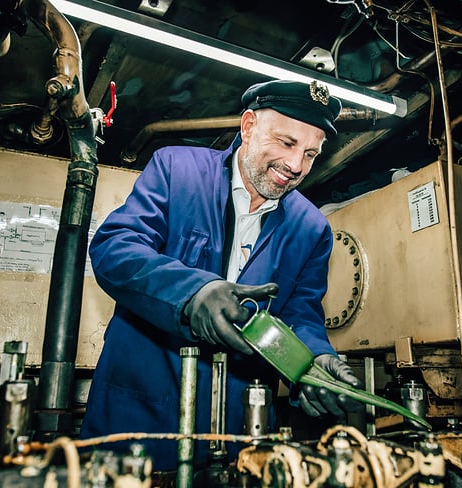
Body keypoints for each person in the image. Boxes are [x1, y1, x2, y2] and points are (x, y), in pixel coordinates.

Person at [80, 79, 363, 470]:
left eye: (311, 153)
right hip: (139, 418)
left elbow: (301, 313)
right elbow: (115, 248)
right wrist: (193, 293)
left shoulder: (311, 227)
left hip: (240, 428)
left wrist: (314, 360)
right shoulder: (175, 168)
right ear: (248, 126)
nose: (297, 166)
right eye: (286, 143)